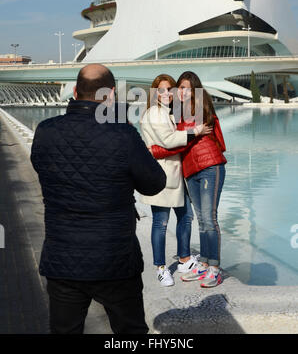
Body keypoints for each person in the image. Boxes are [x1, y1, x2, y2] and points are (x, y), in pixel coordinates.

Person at [30, 63, 166, 334]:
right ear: (111, 94)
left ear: (75, 91)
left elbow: (41, 167)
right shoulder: (122, 134)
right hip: (114, 258)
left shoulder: (46, 131)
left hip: (62, 259)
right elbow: (154, 184)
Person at [151, 71, 227, 288]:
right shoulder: (177, 114)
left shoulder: (199, 110)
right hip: (191, 171)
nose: (180, 92)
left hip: (209, 166)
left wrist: (154, 151)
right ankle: (203, 263)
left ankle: (214, 268)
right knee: (202, 220)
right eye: (179, 88)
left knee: (209, 219)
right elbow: (175, 141)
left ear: (194, 90)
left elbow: (180, 143)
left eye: (185, 88)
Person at [139, 74, 212, 287]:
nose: (166, 94)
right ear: (154, 93)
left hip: (175, 174)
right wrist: (196, 131)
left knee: (186, 216)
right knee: (161, 223)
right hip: (161, 175)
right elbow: (169, 141)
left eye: (169, 89)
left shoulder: (170, 113)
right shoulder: (155, 113)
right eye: (160, 90)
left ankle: (184, 259)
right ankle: (161, 268)